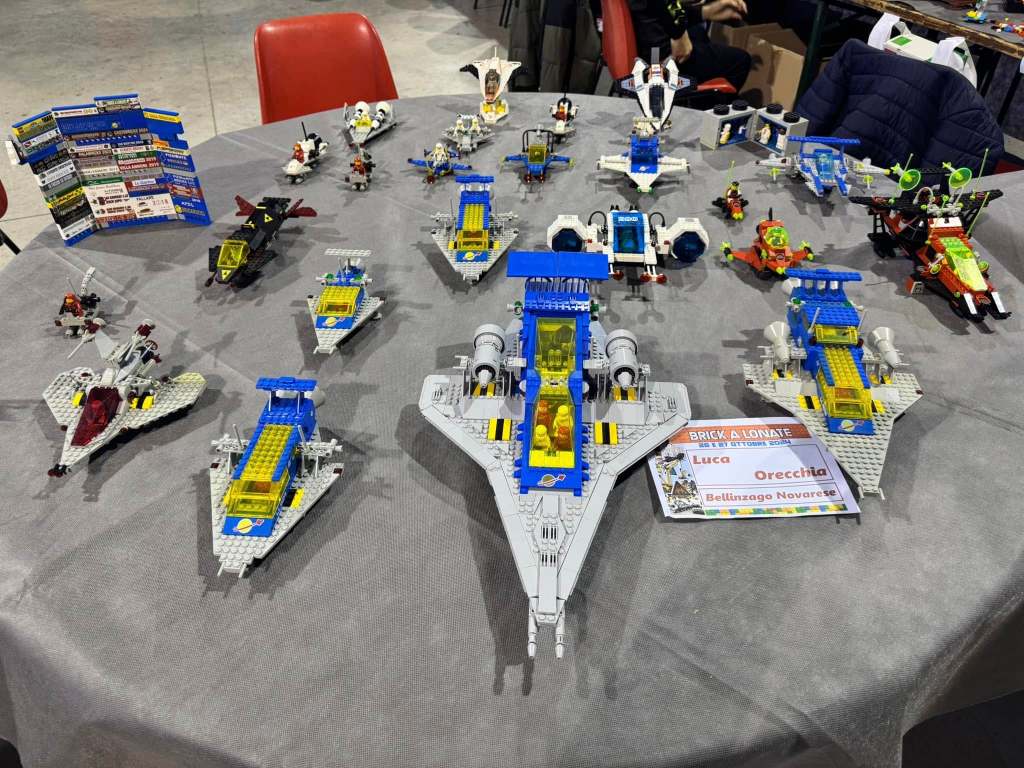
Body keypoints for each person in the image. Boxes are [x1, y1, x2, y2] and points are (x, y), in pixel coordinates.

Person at [628, 0, 752, 95]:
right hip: (658, 58)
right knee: (741, 61)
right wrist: (679, 33)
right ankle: (697, 114)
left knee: (698, 33)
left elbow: (657, 8)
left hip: (648, 42)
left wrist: (706, 11)